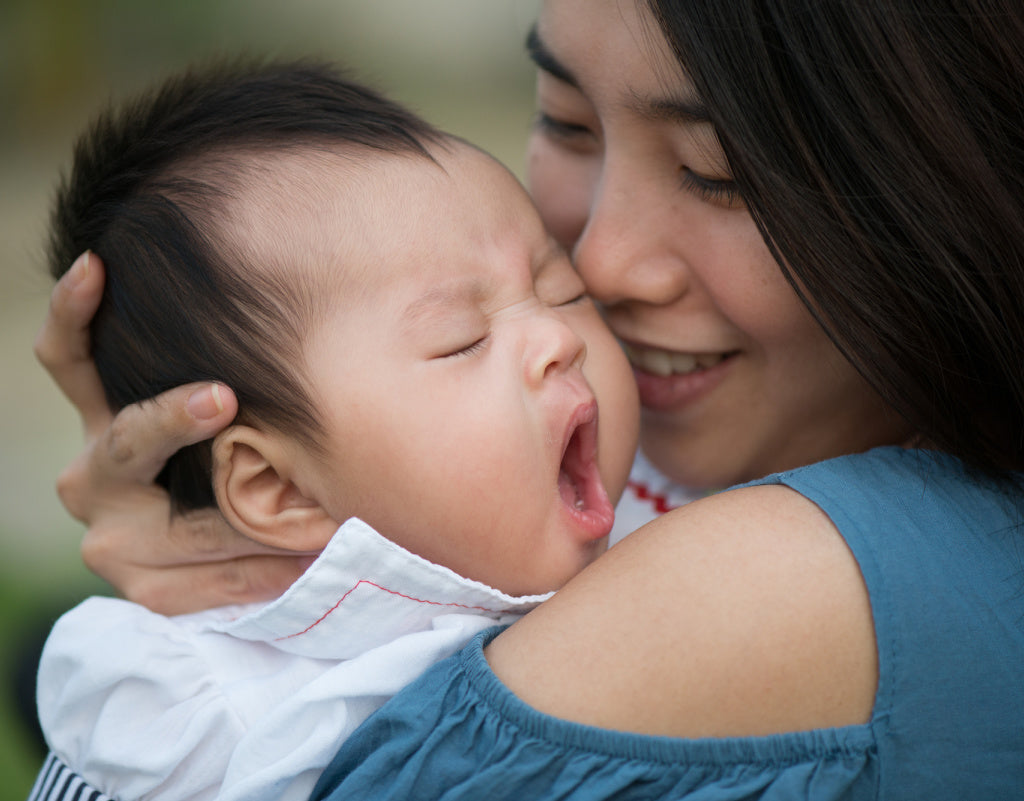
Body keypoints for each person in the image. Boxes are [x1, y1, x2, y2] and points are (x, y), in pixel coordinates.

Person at [30, 0, 1024, 797]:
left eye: (714, 173)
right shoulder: (192, 702)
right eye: (561, 120)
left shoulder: (782, 584)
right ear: (269, 484)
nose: (593, 270)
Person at [29, 58, 640, 801]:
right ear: (279, 487)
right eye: (460, 338)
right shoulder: (204, 715)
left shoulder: (687, 530)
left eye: (561, 289)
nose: (559, 337)